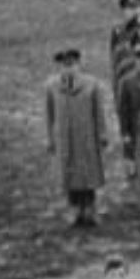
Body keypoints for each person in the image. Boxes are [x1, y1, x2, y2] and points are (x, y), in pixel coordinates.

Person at [46, 44, 115, 228]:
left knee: (88, 174)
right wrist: (51, 139)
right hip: (65, 139)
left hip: (86, 138)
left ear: (79, 64)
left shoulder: (92, 85)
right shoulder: (52, 86)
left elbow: (98, 112)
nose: (69, 68)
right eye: (65, 65)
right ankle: (74, 209)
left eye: (72, 64)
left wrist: (102, 134)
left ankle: (89, 208)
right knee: (69, 174)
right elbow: (49, 115)